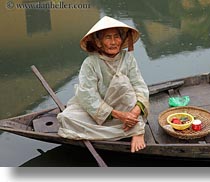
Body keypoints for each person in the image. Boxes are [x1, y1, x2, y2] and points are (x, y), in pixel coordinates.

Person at [57, 16, 150, 153]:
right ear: (99, 42)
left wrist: (133, 114)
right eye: (108, 38)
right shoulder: (90, 63)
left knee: (122, 84)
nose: (113, 42)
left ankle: (137, 130)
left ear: (122, 39)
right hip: (104, 112)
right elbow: (88, 96)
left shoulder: (128, 59)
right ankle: (123, 129)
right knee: (66, 118)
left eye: (116, 37)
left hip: (127, 108)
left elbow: (140, 87)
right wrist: (119, 115)